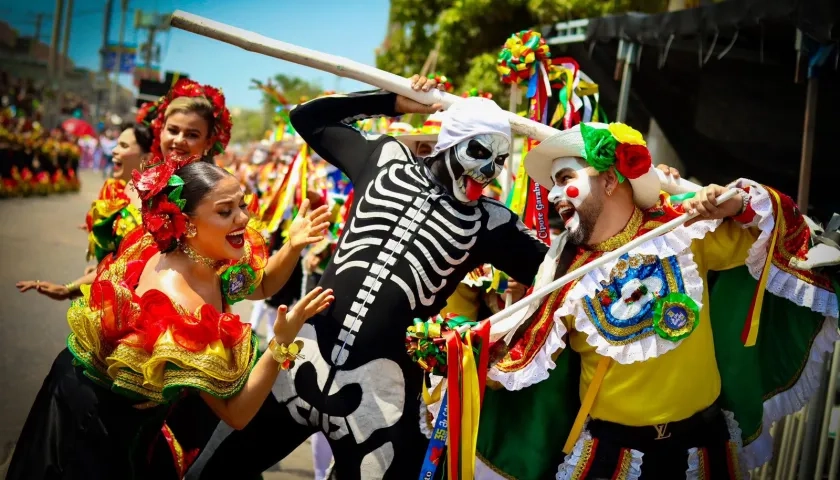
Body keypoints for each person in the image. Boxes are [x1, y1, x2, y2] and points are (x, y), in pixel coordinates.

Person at [197, 75, 548, 479]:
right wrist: (393, 101)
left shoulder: (491, 223)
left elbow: (563, 269)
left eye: (500, 161)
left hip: (382, 396)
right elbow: (307, 117)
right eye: (480, 152)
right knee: (211, 473)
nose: (488, 170)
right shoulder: (386, 159)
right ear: (450, 141)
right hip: (296, 359)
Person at [460, 122, 839, 479]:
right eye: (552, 185)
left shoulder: (682, 231)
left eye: (565, 179)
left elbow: (773, 236)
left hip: (704, 447)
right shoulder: (562, 273)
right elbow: (519, 356)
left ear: (610, 179)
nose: (554, 195)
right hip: (613, 454)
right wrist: (462, 353)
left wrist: (732, 202)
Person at [7, 151, 335, 479]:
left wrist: (292, 245)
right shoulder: (184, 305)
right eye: (226, 211)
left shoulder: (203, 252)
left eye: (242, 205)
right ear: (189, 224)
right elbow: (236, 413)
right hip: (93, 418)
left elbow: (260, 283)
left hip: (135, 414)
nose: (243, 219)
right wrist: (281, 342)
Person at [16, 123, 155, 300]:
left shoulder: (151, 206)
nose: (114, 151)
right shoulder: (114, 190)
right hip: (105, 294)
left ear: (147, 157)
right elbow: (113, 260)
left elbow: (125, 267)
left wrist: (68, 288)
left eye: (124, 146)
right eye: (117, 144)